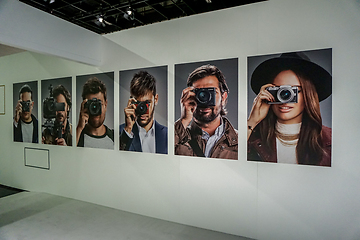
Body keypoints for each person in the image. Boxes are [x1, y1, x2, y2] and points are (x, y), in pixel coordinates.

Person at [247, 51, 332, 166]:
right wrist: (252, 121)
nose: (284, 98)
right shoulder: (251, 137)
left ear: (308, 95)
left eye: (293, 91)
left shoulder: (331, 141)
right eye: (279, 91)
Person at [175, 64, 238, 160]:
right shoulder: (177, 137)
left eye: (211, 93)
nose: (204, 99)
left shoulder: (241, 141)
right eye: (199, 93)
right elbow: (160, 154)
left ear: (223, 98)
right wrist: (184, 120)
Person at [120, 71, 168, 154]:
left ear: (155, 99)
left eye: (147, 103)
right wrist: (128, 129)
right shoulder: (121, 132)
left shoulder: (168, 134)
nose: (143, 110)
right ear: (132, 101)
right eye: (139, 103)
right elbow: (117, 159)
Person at [76, 77, 114, 149]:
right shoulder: (77, 136)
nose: (94, 108)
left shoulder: (115, 138)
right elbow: (67, 156)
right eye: (91, 104)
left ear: (105, 104)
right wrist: (79, 128)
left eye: (98, 104)